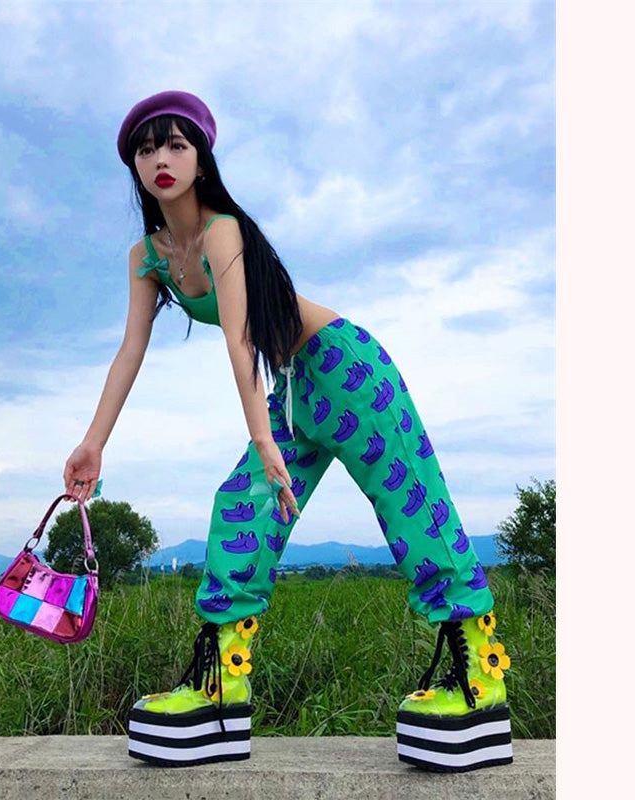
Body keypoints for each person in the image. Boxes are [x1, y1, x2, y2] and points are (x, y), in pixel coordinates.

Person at [63, 90, 513, 772]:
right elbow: (130, 350)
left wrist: (263, 438)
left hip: (345, 367)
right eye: (147, 149)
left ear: (201, 159)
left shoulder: (223, 231)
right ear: (134, 165)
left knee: (413, 508)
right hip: (294, 390)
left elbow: (240, 337)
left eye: (177, 145)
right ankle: (221, 692)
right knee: (241, 507)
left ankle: (480, 685)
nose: (161, 159)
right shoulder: (147, 256)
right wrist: (94, 442)